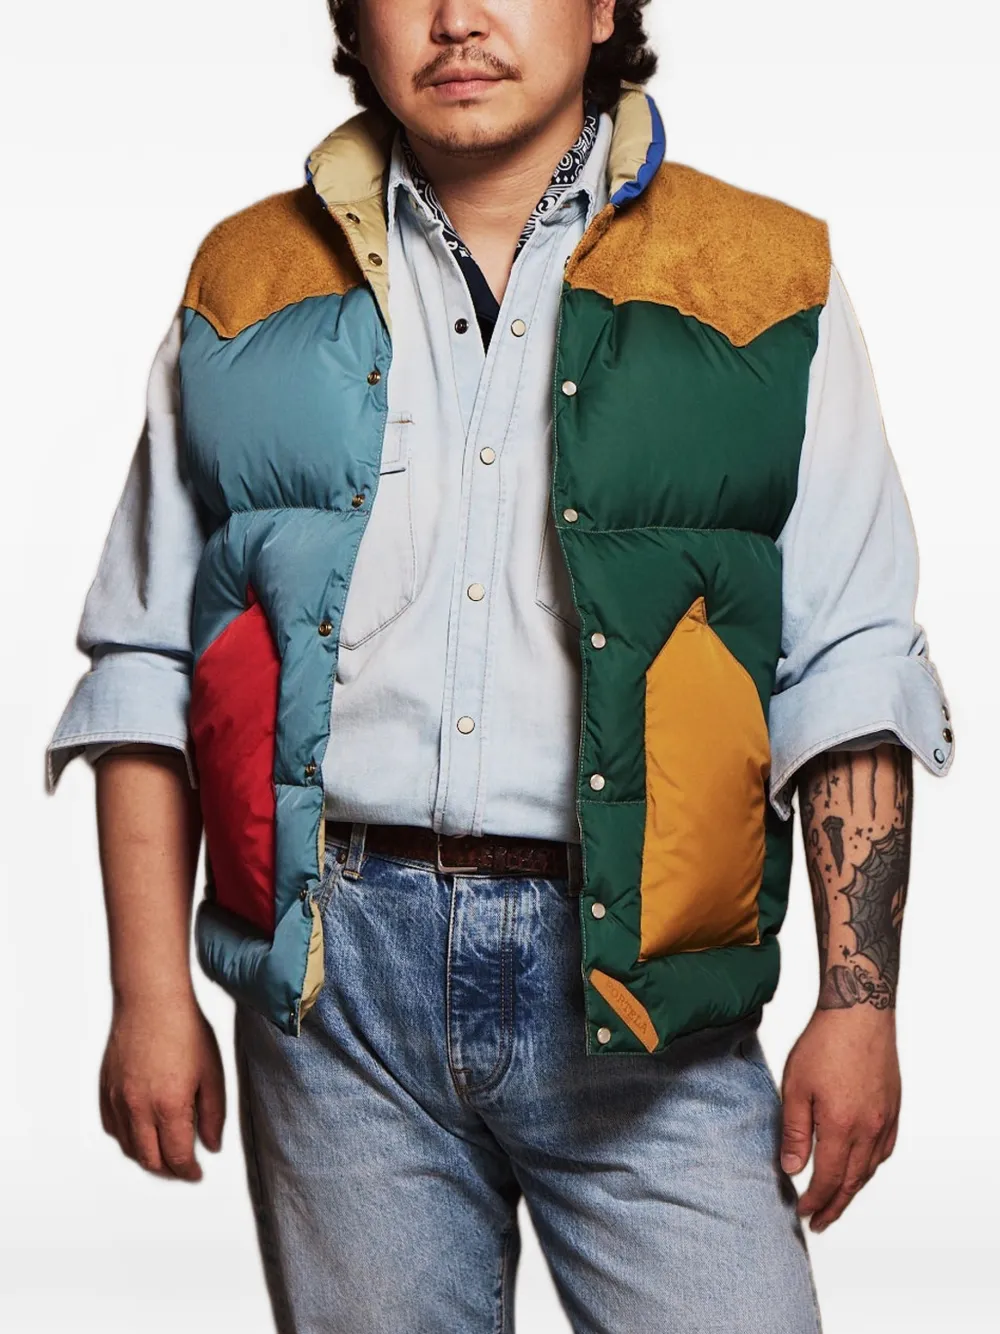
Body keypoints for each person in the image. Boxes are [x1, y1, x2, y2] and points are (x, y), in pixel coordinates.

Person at [45, 2, 954, 1331]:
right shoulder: (247, 282)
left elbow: (851, 665)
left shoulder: (763, 280)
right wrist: (147, 992)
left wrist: (858, 1004)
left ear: (602, 10)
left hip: (645, 990)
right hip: (337, 994)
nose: (459, 18)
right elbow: (148, 659)